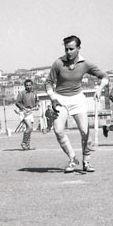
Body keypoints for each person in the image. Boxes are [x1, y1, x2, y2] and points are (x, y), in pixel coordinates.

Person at [44, 35, 109, 173]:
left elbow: (104, 77)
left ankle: (86, 162)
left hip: (78, 100)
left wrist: (99, 89)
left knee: (85, 132)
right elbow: (48, 82)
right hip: (60, 100)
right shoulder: (58, 63)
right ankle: (72, 158)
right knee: (58, 131)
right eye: (66, 49)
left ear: (79, 48)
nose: (68, 52)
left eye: (71, 49)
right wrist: (53, 98)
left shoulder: (85, 64)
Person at [15, 79, 39, 150]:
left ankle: (28, 145)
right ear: (25, 86)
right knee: (29, 127)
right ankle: (24, 143)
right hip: (24, 112)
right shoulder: (21, 93)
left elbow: (37, 101)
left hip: (30, 112)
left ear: (32, 85)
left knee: (30, 129)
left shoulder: (34, 93)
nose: (28, 86)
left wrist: (37, 106)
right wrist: (24, 108)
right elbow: (17, 102)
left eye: (29, 85)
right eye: (27, 85)